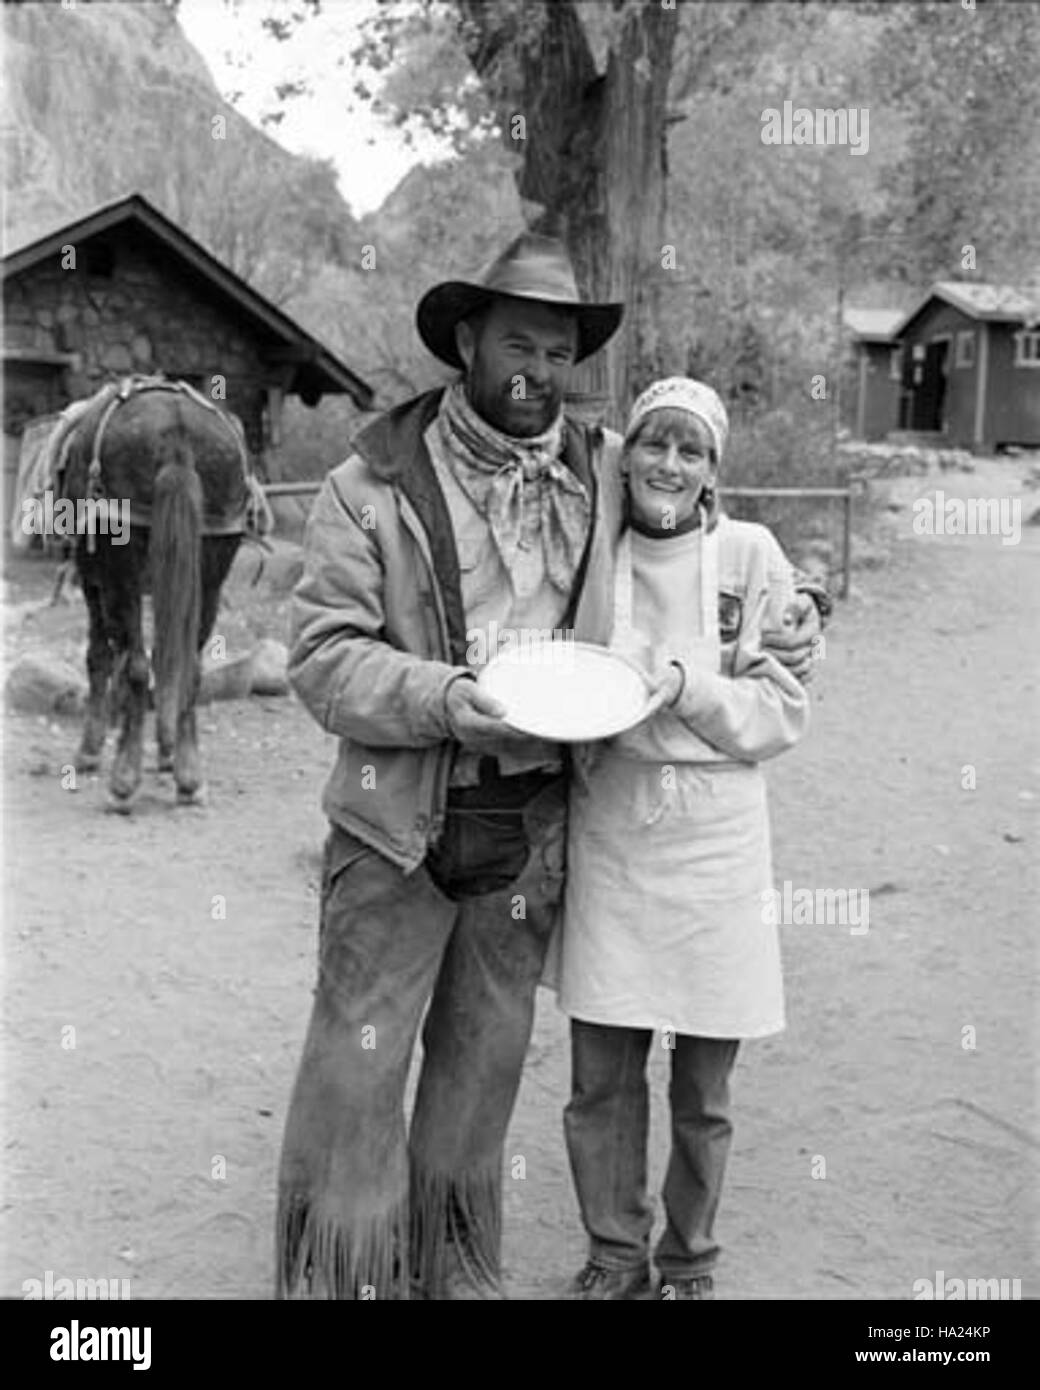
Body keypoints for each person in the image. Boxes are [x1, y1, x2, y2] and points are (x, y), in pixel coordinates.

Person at [275, 235, 826, 1300]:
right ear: (466, 340)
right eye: (516, 340)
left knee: (479, 1070)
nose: (536, 366)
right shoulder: (371, 486)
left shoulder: (600, 464)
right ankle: (341, 1282)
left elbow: (700, 513)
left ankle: (454, 1269)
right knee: (359, 1062)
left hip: (529, 833)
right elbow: (318, 658)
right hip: (398, 824)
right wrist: (439, 698)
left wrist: (802, 609)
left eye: (559, 349)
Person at [556, 377, 810, 1301]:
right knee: (601, 1075)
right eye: (654, 445)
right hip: (616, 828)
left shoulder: (752, 556)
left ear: (714, 471)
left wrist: (684, 686)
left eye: (691, 450)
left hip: (717, 841)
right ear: (628, 463)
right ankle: (615, 1251)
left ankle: (689, 1260)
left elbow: (779, 713)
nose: (669, 464)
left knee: (702, 1085)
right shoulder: (594, 560)